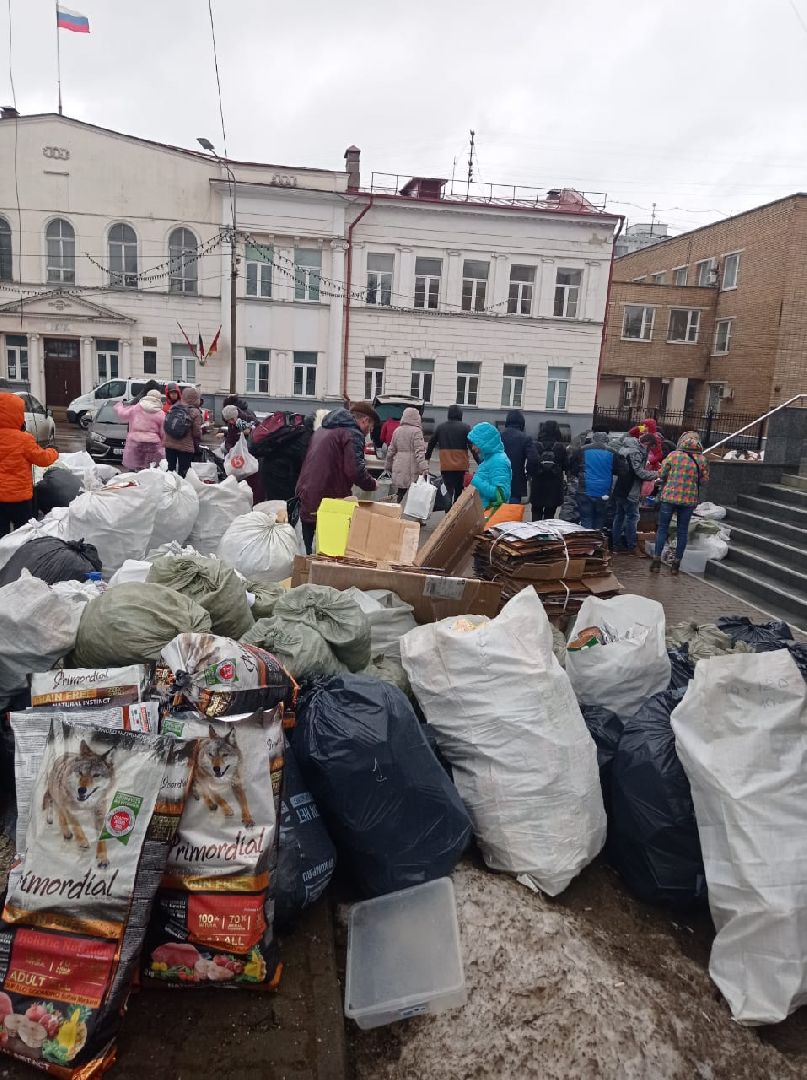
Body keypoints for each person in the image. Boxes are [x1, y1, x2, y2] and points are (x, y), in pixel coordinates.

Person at [295, 401, 380, 554]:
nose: (369, 431)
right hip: (328, 502)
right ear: (365, 420)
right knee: (330, 553)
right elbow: (355, 471)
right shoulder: (352, 434)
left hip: (307, 496)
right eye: (371, 426)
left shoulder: (323, 429)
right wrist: (372, 483)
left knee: (309, 552)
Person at [651, 431, 710, 575]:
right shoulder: (702, 459)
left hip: (669, 498)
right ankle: (676, 563)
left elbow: (661, 473)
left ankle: (656, 559)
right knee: (682, 530)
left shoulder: (673, 455)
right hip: (689, 500)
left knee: (662, 529)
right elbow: (704, 481)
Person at [0, 393, 59, 535]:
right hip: (20, 499)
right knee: (23, 535)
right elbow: (43, 459)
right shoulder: (24, 440)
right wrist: (53, 451)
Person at [611, 432, 658, 553]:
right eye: (651, 447)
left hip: (620, 488)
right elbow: (639, 472)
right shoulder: (635, 452)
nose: (650, 450)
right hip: (630, 490)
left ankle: (616, 545)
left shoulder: (626, 446)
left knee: (619, 516)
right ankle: (631, 546)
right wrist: (658, 474)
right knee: (633, 517)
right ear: (647, 443)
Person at [569, 428, 618, 530]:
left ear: (593, 439)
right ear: (606, 440)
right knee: (600, 518)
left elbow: (572, 468)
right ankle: (597, 542)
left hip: (585, 489)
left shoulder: (582, 450)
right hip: (604, 491)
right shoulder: (612, 452)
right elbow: (619, 470)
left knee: (586, 518)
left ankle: (587, 541)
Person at [426, 405, 470, 507]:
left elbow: (431, 443)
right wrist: (480, 462)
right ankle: (456, 512)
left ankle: (448, 511)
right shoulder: (466, 427)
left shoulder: (441, 427)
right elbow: (473, 447)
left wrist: (427, 458)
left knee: (447, 490)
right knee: (459, 490)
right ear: (460, 414)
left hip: (446, 465)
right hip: (461, 466)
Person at [114, 389, 165, 471]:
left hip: (136, 442)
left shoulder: (137, 408)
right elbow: (163, 432)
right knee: (151, 468)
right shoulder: (160, 413)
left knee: (135, 467)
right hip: (153, 444)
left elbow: (123, 414)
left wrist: (119, 406)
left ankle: (135, 481)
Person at [386, 407, 429, 502]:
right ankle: (412, 513)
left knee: (400, 492)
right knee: (414, 493)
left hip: (399, 464)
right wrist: (424, 468)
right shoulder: (416, 431)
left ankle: (395, 510)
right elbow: (419, 452)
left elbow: (391, 450)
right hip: (411, 467)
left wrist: (388, 465)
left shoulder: (397, 430)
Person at [468, 422, 512, 509]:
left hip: (491, 515)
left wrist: (474, 481)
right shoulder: (489, 459)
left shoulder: (498, 461)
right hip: (486, 512)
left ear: (484, 442)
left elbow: (501, 495)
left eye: (475, 443)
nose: (473, 448)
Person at [164, 385, 203, 477]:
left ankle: (169, 488)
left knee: (170, 469)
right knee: (184, 471)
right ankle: (181, 490)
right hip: (185, 447)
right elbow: (196, 432)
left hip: (169, 444)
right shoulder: (195, 412)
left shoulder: (174, 407)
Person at [500, 410, 534, 504]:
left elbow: (484, 457)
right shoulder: (526, 438)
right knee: (512, 515)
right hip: (516, 484)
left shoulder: (497, 437)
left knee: (496, 515)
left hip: (497, 483)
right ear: (522, 423)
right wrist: (529, 474)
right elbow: (533, 459)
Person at [529, 448, 564, 521]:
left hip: (537, 499)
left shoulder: (537, 468)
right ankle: (547, 531)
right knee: (549, 517)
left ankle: (536, 531)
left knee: (536, 516)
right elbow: (560, 486)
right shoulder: (558, 470)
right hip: (552, 500)